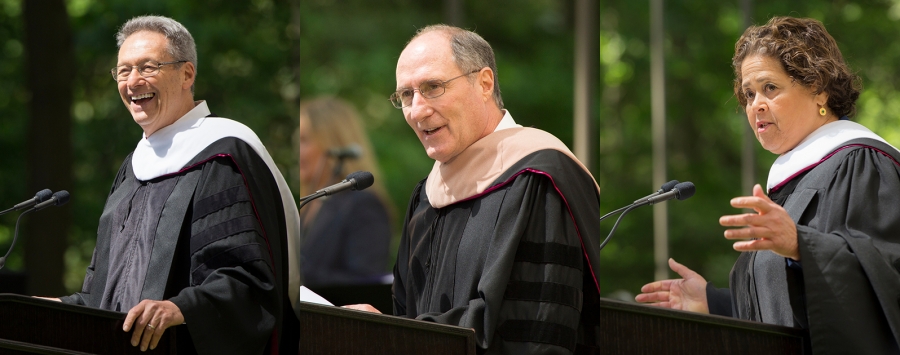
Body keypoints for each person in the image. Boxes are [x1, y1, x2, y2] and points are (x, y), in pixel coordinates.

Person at [635, 16, 900, 354]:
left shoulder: (864, 164)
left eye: (770, 88)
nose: (755, 105)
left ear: (818, 88)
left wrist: (802, 245)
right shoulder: (791, 180)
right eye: (748, 94)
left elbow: (886, 281)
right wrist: (712, 302)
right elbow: (788, 312)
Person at [346, 25, 604, 354]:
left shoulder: (539, 179)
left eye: (433, 87)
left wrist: (395, 336)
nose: (417, 110)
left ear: (484, 83)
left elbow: (534, 329)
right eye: (406, 95)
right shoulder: (428, 195)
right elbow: (406, 314)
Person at [50, 15, 301, 354]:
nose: (133, 81)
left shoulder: (223, 155)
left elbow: (248, 282)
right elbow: (106, 294)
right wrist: (55, 306)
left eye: (148, 67)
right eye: (123, 71)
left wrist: (181, 309)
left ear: (186, 74)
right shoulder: (132, 169)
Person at [297, 96, 392, 287]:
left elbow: (366, 283)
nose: (297, 151)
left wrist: (301, 274)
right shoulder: (304, 203)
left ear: (333, 143)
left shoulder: (363, 205)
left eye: (304, 140)